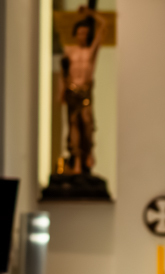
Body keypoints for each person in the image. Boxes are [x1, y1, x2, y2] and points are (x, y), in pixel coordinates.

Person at [62, 6, 107, 175]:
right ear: (76, 34)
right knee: (74, 124)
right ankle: (77, 162)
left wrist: (91, 14)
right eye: (80, 33)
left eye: (85, 33)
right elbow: (64, 72)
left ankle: (89, 155)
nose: (83, 36)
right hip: (72, 91)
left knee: (87, 123)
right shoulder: (69, 51)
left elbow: (104, 26)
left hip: (85, 92)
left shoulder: (90, 52)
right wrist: (62, 91)